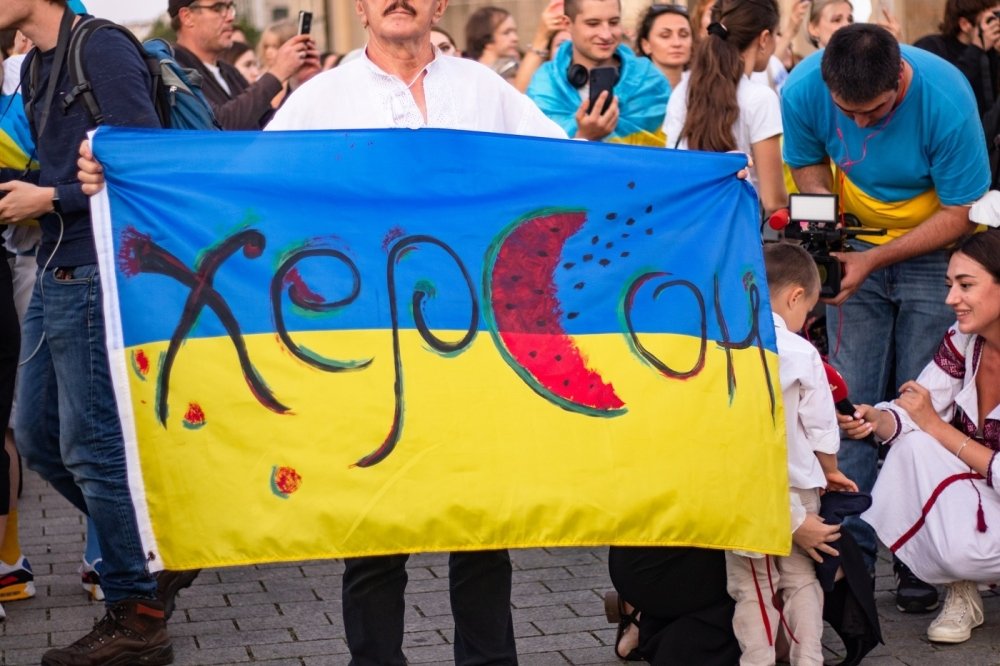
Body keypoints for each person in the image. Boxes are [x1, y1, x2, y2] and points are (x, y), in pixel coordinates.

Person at [0, 0, 200, 662]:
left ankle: (136, 614)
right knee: (37, 439)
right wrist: (26, 188)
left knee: (90, 447)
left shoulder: (103, 47)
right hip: (56, 264)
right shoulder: (33, 66)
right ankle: (154, 549)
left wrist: (50, 197)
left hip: (95, 270)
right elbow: (61, 171)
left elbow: (143, 168)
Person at [781, 22, 991, 614]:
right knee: (846, 408)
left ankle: (919, 559)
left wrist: (875, 258)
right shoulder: (802, 90)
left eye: (874, 112)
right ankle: (852, 558)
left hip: (931, 254)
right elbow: (808, 167)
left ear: (900, 78)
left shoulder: (945, 98)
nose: (863, 125)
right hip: (854, 250)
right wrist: (825, 246)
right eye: (850, 113)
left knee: (921, 403)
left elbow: (963, 211)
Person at [843, 230, 1000, 645]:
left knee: (928, 436)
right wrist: (877, 419)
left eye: (966, 286)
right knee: (911, 446)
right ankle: (961, 589)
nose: (951, 299)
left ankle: (972, 571)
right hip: (989, 493)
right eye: (950, 286)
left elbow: (931, 420)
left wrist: (934, 425)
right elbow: (918, 409)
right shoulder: (964, 339)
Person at [726, 242, 856, 665]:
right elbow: (821, 425)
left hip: (745, 487)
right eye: (807, 311)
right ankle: (809, 658)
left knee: (754, 587)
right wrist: (831, 471)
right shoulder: (803, 352)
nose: (806, 321)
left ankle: (758, 660)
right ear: (794, 296)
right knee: (802, 580)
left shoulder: (724, 345)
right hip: (800, 485)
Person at [663, 0, 786, 217]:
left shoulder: (683, 91)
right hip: (736, 236)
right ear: (764, 38)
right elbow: (774, 202)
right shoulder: (761, 98)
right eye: (777, 35)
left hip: (685, 225)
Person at [526, 0, 670, 145]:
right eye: (593, 23)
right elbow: (536, 155)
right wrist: (584, 136)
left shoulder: (649, 79)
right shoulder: (546, 83)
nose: (606, 35)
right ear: (567, 24)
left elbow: (668, 152)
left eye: (613, 22)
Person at [168, 0, 317, 129]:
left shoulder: (229, 72)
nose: (230, 17)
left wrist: (300, 83)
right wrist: (277, 73)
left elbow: (268, 124)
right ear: (187, 17)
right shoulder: (173, 71)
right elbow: (220, 125)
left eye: (230, 7)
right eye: (218, 8)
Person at [914, 0, 1000, 119]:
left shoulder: (993, 50)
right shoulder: (932, 47)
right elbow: (943, 93)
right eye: (992, 19)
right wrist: (977, 48)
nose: (997, 24)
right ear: (965, 24)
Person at [634, 3, 692, 90]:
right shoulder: (633, 90)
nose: (677, 43)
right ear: (646, 45)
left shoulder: (706, 87)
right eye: (665, 35)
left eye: (684, 35)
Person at [464, 5, 520, 74]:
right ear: (486, 40)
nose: (515, 38)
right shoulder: (471, 75)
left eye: (514, 32)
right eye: (506, 33)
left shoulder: (514, 70)